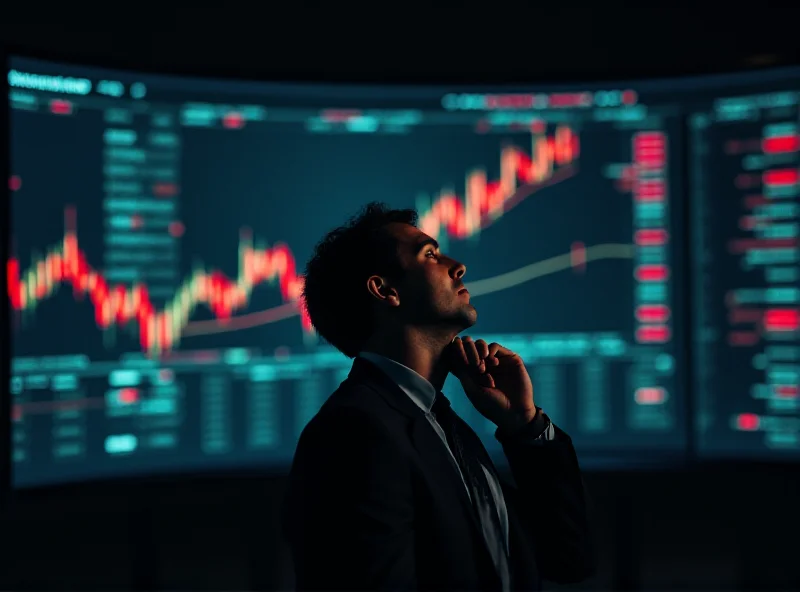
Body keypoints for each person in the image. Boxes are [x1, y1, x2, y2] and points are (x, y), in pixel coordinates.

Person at [282, 202, 594, 591]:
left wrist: (525, 425)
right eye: (429, 254)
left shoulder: (445, 429)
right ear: (385, 290)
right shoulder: (354, 431)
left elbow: (569, 559)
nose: (457, 265)